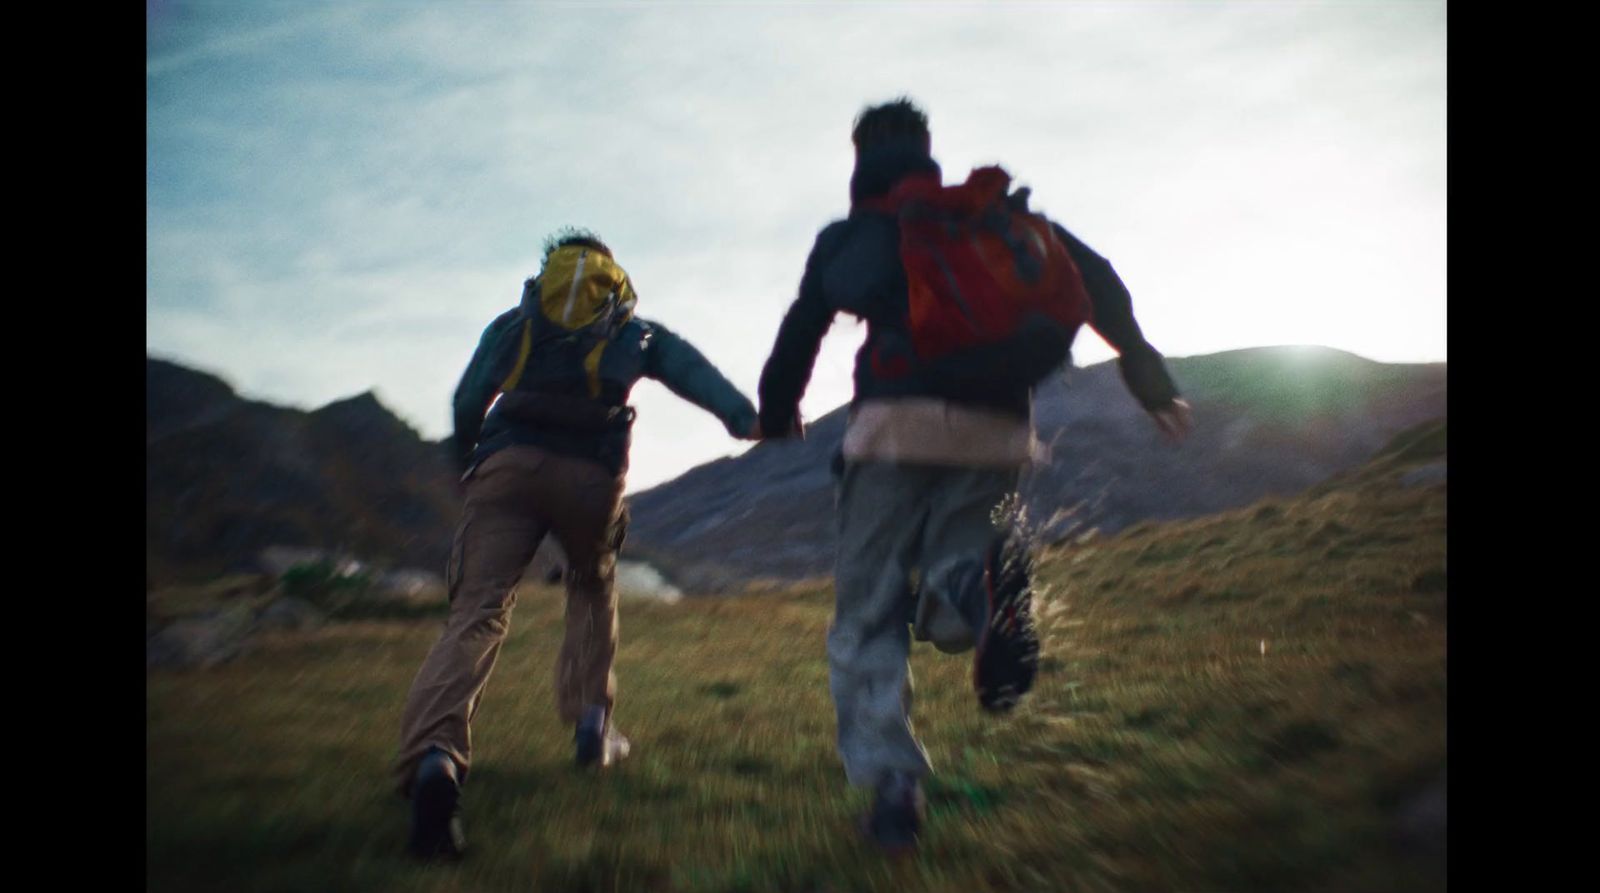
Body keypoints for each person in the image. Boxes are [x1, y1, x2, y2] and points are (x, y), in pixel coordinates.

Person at [756, 98, 1193, 854]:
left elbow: (805, 321)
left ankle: (895, 787)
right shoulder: (995, 221)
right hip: (1000, 433)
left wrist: (776, 408)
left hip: (894, 429)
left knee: (868, 612)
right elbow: (1098, 282)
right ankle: (970, 584)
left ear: (860, 157)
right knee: (960, 581)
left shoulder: (854, 235)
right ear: (928, 150)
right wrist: (1149, 377)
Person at [397, 228, 761, 860]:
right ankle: (593, 726)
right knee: (592, 587)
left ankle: (436, 759)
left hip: (506, 469)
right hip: (590, 478)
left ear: (549, 273)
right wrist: (746, 418)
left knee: (477, 610)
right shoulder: (630, 330)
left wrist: (467, 463)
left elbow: (467, 398)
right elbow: (688, 369)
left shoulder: (517, 324)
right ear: (608, 278)